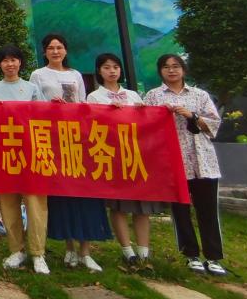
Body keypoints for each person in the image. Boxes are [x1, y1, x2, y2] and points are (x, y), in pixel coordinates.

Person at [30, 33, 111, 272]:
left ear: (65, 50)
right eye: (51, 48)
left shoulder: (76, 75)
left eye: (59, 47)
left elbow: (83, 104)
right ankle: (69, 248)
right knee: (62, 192)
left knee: (84, 191)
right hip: (53, 138)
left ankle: (85, 251)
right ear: (44, 52)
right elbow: (34, 105)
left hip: (76, 137)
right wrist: (50, 108)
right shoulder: (38, 75)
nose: (55, 51)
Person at [143, 54, 226, 276]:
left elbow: (214, 124)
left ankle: (214, 257)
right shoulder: (153, 96)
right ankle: (191, 255)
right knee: (180, 210)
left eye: (176, 66)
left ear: (184, 70)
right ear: (160, 71)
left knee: (208, 210)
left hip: (203, 160)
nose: (171, 71)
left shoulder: (199, 95)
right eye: (166, 67)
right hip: (172, 161)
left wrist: (192, 115)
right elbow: (145, 125)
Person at [87, 53, 161, 269]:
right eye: (106, 67)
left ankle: (144, 251)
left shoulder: (133, 96)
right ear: (99, 71)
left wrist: (142, 113)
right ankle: (127, 250)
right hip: (112, 155)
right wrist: (109, 114)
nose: (112, 71)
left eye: (115, 67)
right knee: (118, 205)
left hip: (136, 155)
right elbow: (91, 125)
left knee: (141, 205)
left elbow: (147, 124)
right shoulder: (94, 97)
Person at [0, 44, 49, 275]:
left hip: (31, 153)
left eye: (13, 60)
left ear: (20, 63)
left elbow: (43, 116)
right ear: (0, 65)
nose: (10, 64)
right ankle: (16, 250)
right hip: (5, 153)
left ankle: (38, 253)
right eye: (5, 60)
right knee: (8, 204)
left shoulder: (32, 88)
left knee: (35, 204)